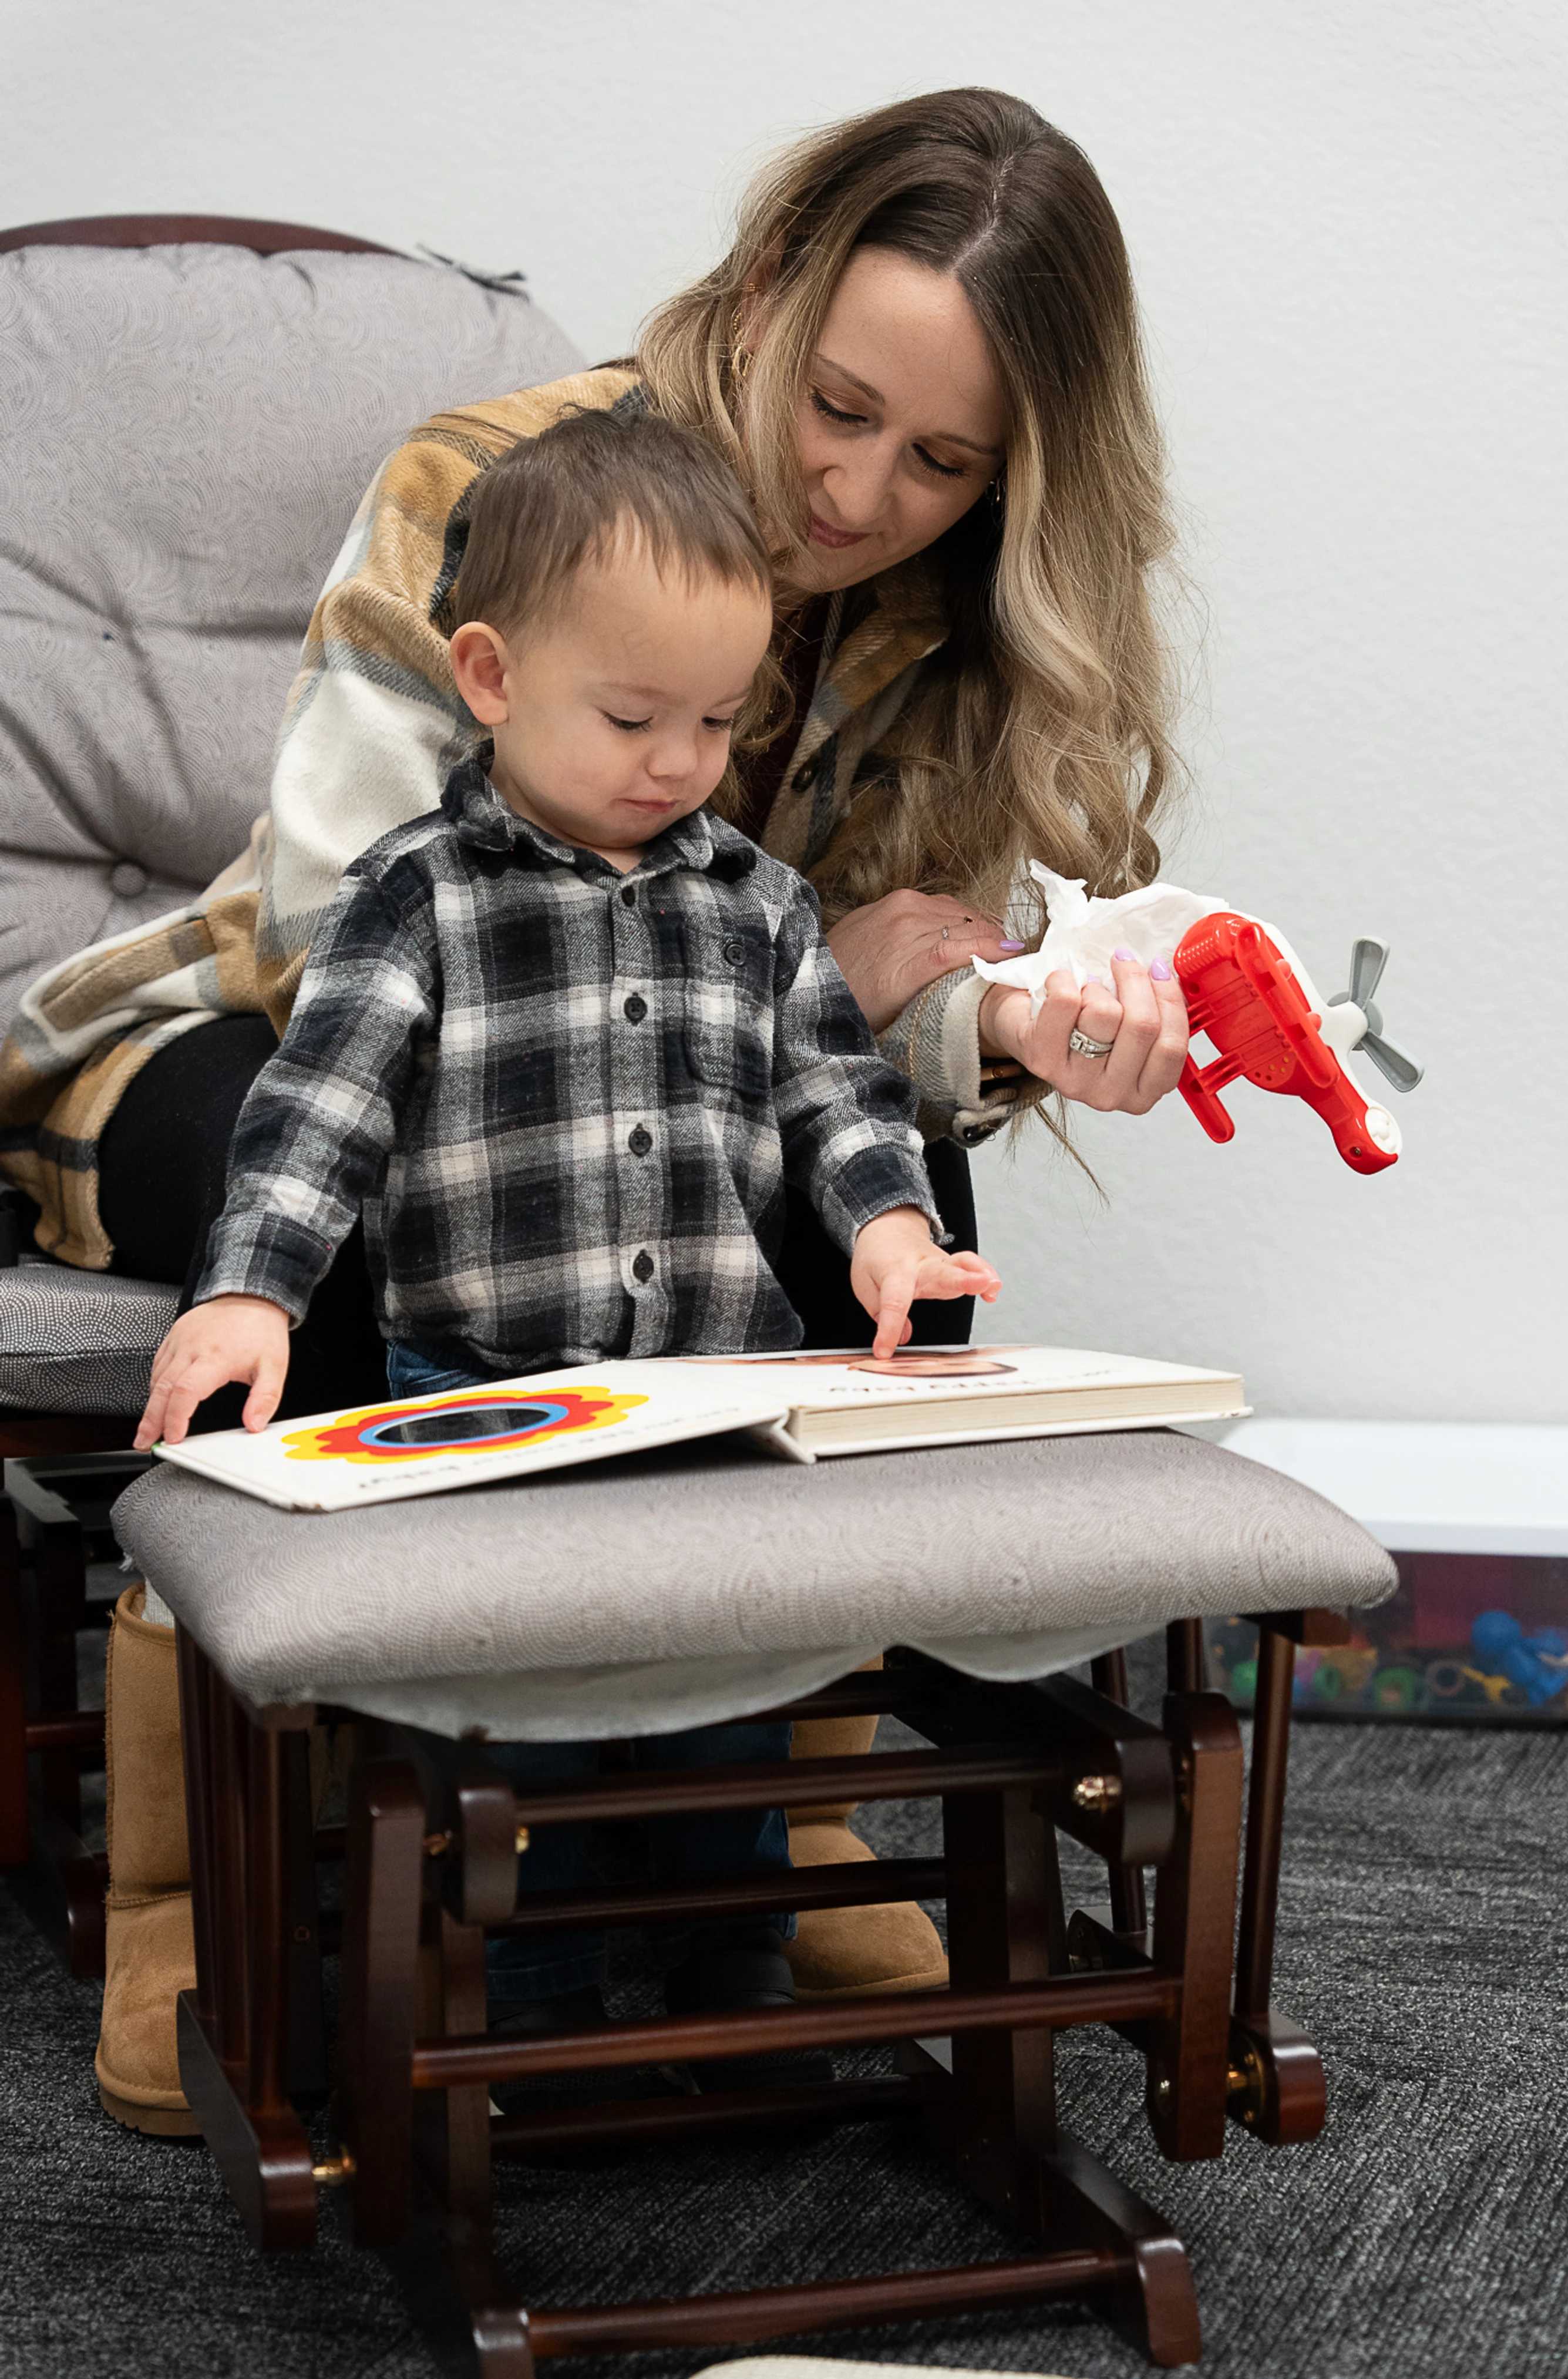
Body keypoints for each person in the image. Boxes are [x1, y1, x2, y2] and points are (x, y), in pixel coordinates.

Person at [0, 88, 1194, 2129]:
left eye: (940, 460)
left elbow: (815, 1057)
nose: (856, 486)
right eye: (835, 402)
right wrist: (828, 947)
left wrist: (984, 1035)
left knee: (891, 1223)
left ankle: (778, 1780)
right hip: (265, 1038)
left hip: (623, 1107)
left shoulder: (943, 623)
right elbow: (340, 934)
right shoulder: (495, 481)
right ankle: (196, 1886)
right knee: (319, 1223)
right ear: (764, 287)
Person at [133, 406, 998, 2068]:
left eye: (716, 721)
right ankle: (510, 2020)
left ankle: (728, 1986)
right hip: (480, 1394)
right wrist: (248, 1294)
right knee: (514, 1725)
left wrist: (887, 1229)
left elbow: (834, 1088)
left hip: (709, 1408)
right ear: (489, 674)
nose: (677, 760)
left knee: (714, 1716)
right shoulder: (418, 894)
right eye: (630, 716)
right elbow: (318, 1110)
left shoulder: (750, 901)